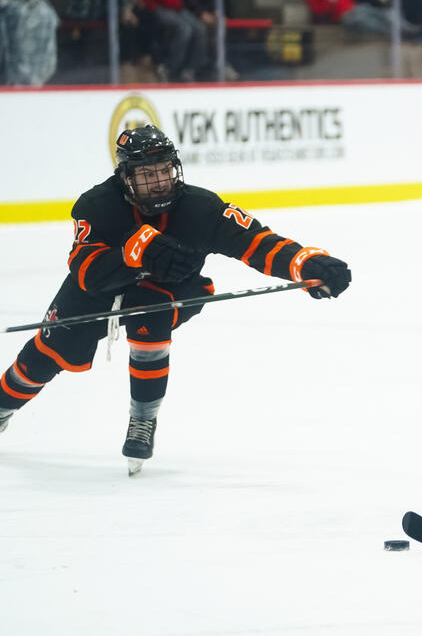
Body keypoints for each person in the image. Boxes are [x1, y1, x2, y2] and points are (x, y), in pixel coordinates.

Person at [0, 126, 352, 474]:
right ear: (125, 176)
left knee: (150, 315)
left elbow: (258, 243)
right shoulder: (96, 205)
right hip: (99, 287)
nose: (159, 181)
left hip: (170, 289)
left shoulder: (201, 208)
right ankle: (3, 406)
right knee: (47, 354)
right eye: (146, 173)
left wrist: (307, 263)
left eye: (164, 169)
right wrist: (135, 252)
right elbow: (87, 272)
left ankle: (143, 420)